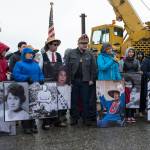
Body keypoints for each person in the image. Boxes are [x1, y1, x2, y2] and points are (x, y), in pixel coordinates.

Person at [65, 34, 97, 126]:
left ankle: (86, 118)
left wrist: (91, 79)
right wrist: (69, 80)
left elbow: (93, 68)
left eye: (86, 43)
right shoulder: (71, 53)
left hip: (86, 81)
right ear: (78, 43)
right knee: (74, 100)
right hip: (74, 81)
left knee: (85, 100)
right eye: (82, 43)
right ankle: (74, 118)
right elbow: (67, 67)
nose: (84, 45)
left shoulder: (90, 54)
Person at [13, 47, 44, 134]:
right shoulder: (19, 64)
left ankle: (33, 124)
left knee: (34, 107)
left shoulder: (35, 64)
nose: (31, 55)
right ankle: (26, 126)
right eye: (29, 53)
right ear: (24, 54)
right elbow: (16, 75)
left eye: (32, 53)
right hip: (24, 89)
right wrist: (26, 78)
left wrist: (41, 79)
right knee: (25, 107)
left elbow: (40, 73)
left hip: (35, 89)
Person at [41, 36, 63, 130]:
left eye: (57, 44)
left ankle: (57, 121)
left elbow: (62, 68)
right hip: (47, 81)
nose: (56, 46)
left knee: (57, 101)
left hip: (57, 82)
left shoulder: (59, 55)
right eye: (54, 44)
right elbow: (39, 68)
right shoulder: (42, 55)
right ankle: (46, 122)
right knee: (47, 101)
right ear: (49, 45)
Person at [123, 47, 141, 123]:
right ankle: (127, 115)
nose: (131, 53)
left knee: (134, 97)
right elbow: (122, 71)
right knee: (127, 98)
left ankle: (132, 115)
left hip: (135, 81)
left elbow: (138, 70)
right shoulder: (123, 61)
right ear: (127, 53)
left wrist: (140, 72)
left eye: (132, 52)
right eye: (129, 52)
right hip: (127, 81)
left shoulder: (136, 61)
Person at [140, 52, 150, 116]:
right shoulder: (146, 60)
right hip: (147, 81)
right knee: (144, 96)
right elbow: (143, 72)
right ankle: (142, 110)